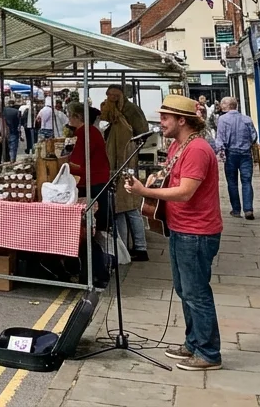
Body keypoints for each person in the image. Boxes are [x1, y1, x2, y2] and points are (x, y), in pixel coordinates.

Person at [125, 94, 223, 371]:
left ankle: (208, 353)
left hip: (198, 232)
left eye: (166, 117)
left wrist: (146, 191)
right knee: (184, 290)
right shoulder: (179, 147)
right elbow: (172, 178)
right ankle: (193, 343)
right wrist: (156, 178)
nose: (161, 121)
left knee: (196, 293)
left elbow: (185, 192)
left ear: (183, 120)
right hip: (181, 229)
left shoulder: (197, 149)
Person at [66, 103, 111, 288]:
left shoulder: (85, 133)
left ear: (76, 116)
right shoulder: (90, 132)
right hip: (95, 180)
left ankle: (97, 273)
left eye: (70, 116)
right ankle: (92, 271)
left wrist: (62, 163)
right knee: (89, 233)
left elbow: (77, 162)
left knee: (85, 232)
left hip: (92, 182)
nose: (68, 119)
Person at [100, 98, 147, 263]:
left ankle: (138, 248)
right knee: (125, 210)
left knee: (127, 210)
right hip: (121, 172)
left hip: (121, 173)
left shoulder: (120, 126)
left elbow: (120, 153)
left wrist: (116, 174)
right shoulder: (116, 124)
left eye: (104, 107)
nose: (101, 111)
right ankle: (129, 248)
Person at [214, 96, 257, 221]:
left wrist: (219, 151)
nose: (221, 106)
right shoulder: (247, 119)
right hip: (245, 154)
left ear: (226, 106)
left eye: (222, 104)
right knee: (247, 181)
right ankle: (248, 209)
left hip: (231, 153)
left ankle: (236, 210)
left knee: (232, 182)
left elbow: (220, 138)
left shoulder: (223, 119)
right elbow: (254, 136)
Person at [2, 96, 24, 161]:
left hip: (4, 132)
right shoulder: (17, 111)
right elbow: (19, 124)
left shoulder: (3, 110)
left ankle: (5, 161)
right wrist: (20, 135)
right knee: (13, 149)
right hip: (14, 132)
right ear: (14, 104)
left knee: (5, 148)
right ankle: (12, 161)